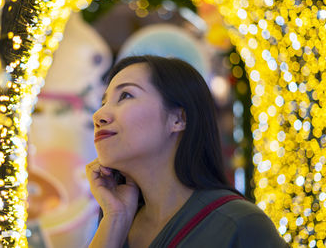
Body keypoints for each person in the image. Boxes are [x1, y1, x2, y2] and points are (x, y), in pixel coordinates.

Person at [85, 55, 288, 248]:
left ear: (178, 119)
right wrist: (115, 218)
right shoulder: (117, 221)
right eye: (104, 102)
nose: (99, 115)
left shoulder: (239, 225)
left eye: (125, 95)